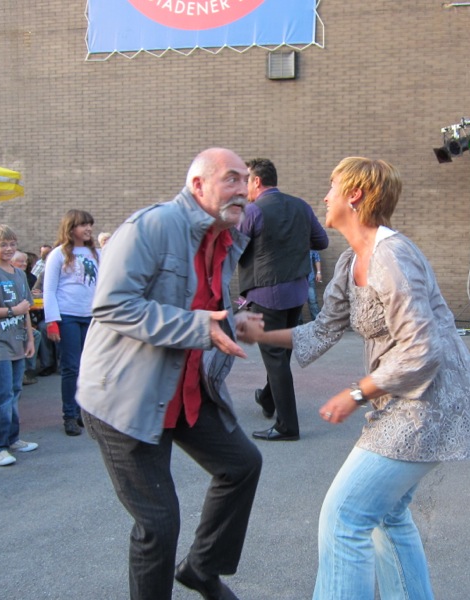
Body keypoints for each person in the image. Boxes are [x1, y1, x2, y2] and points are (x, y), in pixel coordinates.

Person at [237, 156, 470, 600]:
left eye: (332, 186)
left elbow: (421, 350)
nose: (324, 196)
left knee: (345, 516)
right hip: (403, 400)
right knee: (387, 516)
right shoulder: (351, 260)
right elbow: (324, 328)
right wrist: (261, 333)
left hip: (429, 404)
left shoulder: (392, 256)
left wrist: (355, 393)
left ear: (355, 195)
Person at [76, 148, 264, 600]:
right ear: (198, 185)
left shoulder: (225, 238)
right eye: (231, 179)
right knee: (158, 524)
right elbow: (112, 305)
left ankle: (201, 569)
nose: (243, 189)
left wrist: (230, 321)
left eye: (245, 180)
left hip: (184, 390)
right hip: (126, 398)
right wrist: (200, 327)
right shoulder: (152, 226)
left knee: (241, 465)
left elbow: (198, 305)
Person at [239, 158, 328, 441]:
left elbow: (234, 249)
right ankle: (267, 398)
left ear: (256, 181)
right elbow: (322, 241)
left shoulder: (253, 211)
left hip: (267, 294)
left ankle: (287, 426)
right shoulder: (301, 206)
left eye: (245, 181)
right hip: (296, 294)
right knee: (281, 355)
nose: (243, 187)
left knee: (276, 359)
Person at [0, 224, 39, 467]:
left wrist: (30, 339)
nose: (9, 248)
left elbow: (26, 310)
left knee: (14, 392)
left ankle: (12, 438)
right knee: (1, 395)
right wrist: (13, 310)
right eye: (3, 244)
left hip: (17, 341)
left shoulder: (19, 274)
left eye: (12, 244)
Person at [44, 210, 101, 436]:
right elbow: (49, 290)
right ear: (71, 228)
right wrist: (52, 321)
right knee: (71, 367)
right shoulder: (58, 254)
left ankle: (84, 412)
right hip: (68, 315)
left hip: (92, 317)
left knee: (89, 367)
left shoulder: (97, 253)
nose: (88, 229)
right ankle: (69, 414)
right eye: (83, 225)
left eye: (90, 224)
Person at [11, 251, 41, 386]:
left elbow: (26, 306)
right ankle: (23, 372)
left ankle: (27, 371)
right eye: (20, 261)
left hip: (21, 319)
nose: (24, 264)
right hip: (8, 323)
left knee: (35, 334)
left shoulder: (25, 277)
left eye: (25, 261)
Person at [306, 250, 323, 320]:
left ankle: (317, 323)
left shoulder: (310, 245)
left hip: (309, 278)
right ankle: (298, 324)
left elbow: (317, 258)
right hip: (296, 280)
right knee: (296, 303)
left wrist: (318, 272)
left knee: (313, 301)